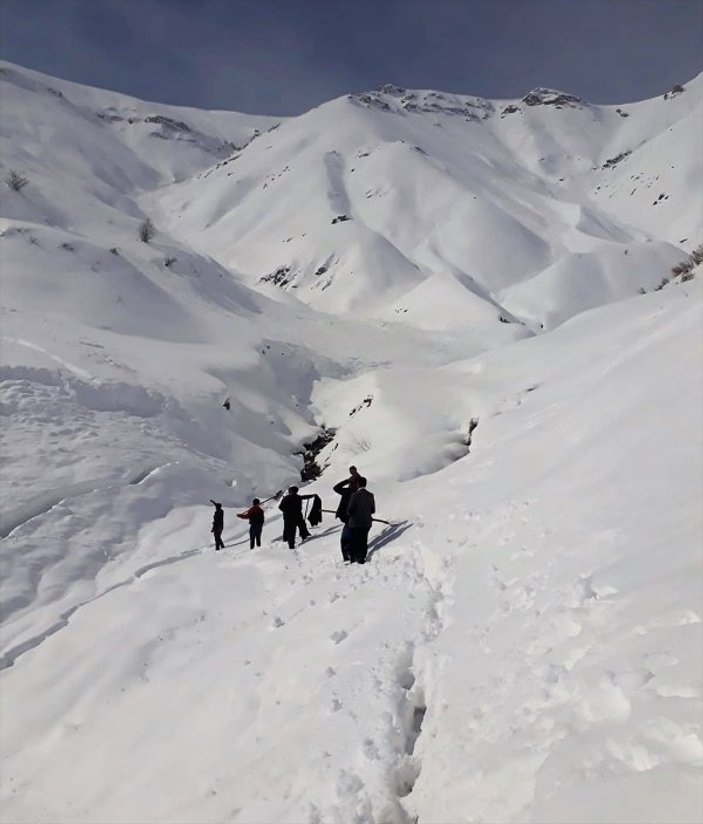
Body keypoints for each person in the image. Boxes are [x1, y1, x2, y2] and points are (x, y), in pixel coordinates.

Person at [333, 469, 360, 561]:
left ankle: (348, 554)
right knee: (353, 535)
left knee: (346, 537)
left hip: (348, 517)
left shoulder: (348, 491)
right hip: (354, 518)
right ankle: (351, 553)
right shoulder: (358, 493)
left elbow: (336, 487)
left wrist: (347, 480)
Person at [346, 477, 375, 564]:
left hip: (355, 522)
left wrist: (349, 514)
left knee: (353, 540)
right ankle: (362, 557)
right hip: (366, 522)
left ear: (358, 484)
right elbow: (373, 510)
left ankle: (353, 557)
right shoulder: (371, 495)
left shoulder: (354, 495)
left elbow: (349, 510)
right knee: (363, 540)